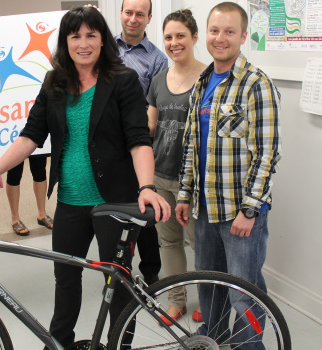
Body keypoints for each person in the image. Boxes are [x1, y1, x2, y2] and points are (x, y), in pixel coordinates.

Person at [0, 6, 170, 348]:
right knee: (65, 279)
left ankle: (118, 344)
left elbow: (139, 139)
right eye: (75, 35)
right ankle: (60, 343)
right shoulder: (54, 82)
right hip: (70, 201)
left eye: (91, 34)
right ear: (65, 41)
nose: (83, 43)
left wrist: (147, 187)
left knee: (118, 281)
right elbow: (30, 136)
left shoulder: (122, 80)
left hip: (114, 201)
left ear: (103, 39)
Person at [175, 2, 281, 348]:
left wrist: (250, 210)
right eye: (215, 31)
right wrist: (184, 195)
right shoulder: (203, 81)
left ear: (243, 36)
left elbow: (267, 154)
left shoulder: (256, 84)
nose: (221, 39)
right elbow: (193, 145)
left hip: (240, 216)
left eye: (230, 31)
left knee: (244, 295)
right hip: (204, 211)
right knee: (209, 288)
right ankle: (214, 343)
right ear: (205, 34)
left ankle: (248, 347)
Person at [146, 9, 206, 326]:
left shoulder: (210, 78)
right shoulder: (158, 80)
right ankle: (176, 301)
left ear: (194, 37)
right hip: (161, 176)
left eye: (180, 35)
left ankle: (209, 303)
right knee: (168, 241)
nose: (174, 42)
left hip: (194, 182)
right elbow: (150, 128)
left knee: (202, 245)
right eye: (168, 37)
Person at [116, 0, 168, 284]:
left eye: (140, 14)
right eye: (128, 12)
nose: (133, 19)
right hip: (106, 146)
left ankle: (151, 273)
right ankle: (116, 271)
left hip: (139, 143)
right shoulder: (103, 47)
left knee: (145, 209)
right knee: (111, 211)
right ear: (121, 14)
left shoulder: (158, 59)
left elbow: (155, 106)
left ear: (148, 18)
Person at [5, 155, 53, 236]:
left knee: (40, 170)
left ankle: (42, 214)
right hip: (14, 142)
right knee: (14, 173)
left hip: (36, 145)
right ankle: (15, 219)